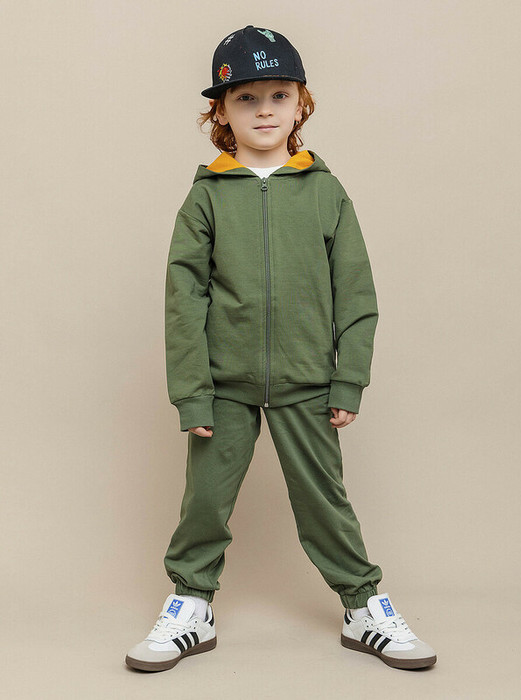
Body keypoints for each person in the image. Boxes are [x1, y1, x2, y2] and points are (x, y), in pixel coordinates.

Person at [125, 25, 436, 673]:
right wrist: (192, 393)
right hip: (223, 386)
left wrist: (347, 380)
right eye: (245, 98)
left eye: (278, 95)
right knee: (204, 504)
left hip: (307, 382)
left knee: (325, 502)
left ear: (301, 105)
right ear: (221, 112)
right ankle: (191, 604)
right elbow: (184, 302)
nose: (263, 109)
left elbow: (356, 294)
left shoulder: (325, 192)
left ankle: (362, 607)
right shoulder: (206, 196)